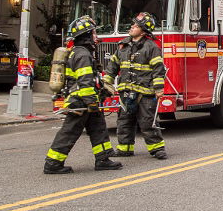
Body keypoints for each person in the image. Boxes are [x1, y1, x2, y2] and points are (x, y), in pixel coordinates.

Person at [43, 16, 123, 174]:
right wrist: (92, 102)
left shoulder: (81, 52)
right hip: (80, 102)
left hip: (85, 101)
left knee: (98, 128)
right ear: (86, 35)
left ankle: (103, 159)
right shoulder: (82, 55)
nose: (96, 36)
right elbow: (85, 82)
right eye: (93, 33)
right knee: (69, 132)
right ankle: (53, 163)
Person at [104, 12, 168, 160]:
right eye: (132, 25)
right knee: (124, 121)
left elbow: (158, 69)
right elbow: (112, 65)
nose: (132, 27)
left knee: (147, 122)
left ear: (144, 30)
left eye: (136, 25)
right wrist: (107, 82)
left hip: (145, 93)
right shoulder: (123, 46)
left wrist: (159, 89)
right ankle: (124, 148)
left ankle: (157, 149)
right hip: (126, 92)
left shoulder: (151, 47)